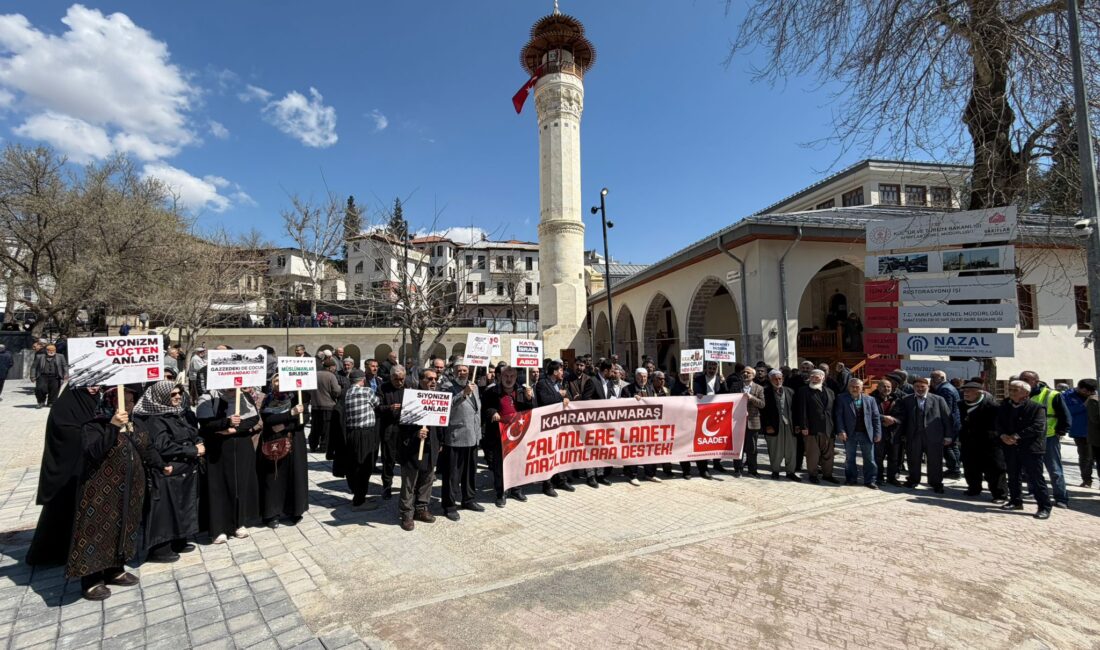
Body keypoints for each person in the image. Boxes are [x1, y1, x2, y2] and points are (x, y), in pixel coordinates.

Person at [30, 385, 159, 600]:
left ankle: (115, 568)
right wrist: (112, 427)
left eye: (130, 401)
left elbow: (146, 447)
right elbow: (94, 450)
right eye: (122, 401)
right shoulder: (94, 424)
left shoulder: (135, 422)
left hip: (128, 488)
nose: (127, 405)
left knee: (124, 526)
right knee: (97, 529)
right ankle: (91, 579)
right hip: (100, 489)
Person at [133, 381, 203, 562]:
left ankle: (179, 539)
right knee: (165, 510)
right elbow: (163, 445)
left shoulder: (177, 413)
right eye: (173, 394)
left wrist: (198, 443)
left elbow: (191, 432)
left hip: (183, 469)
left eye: (179, 393)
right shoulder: (153, 417)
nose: (178, 397)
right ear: (160, 397)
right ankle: (160, 549)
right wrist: (192, 450)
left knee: (180, 505)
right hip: (166, 470)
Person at [197, 387, 263, 544]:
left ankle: (239, 522)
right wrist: (226, 423)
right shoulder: (207, 398)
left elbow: (253, 419)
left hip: (241, 446)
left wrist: (233, 429)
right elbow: (206, 424)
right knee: (219, 487)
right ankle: (218, 528)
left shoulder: (244, 396)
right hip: (218, 448)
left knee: (240, 484)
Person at [997, 380, 1052, 519]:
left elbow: (1038, 426)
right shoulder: (1005, 405)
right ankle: (1015, 501)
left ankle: (1044, 506)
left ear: (1026, 393)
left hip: (1030, 448)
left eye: (1016, 390)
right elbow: (998, 422)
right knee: (1013, 476)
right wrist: (1003, 435)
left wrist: (1017, 436)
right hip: (1010, 447)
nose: (1012, 392)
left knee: (1035, 478)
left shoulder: (1037, 407)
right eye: (1011, 389)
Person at [257, 376, 308, 525]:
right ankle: (272, 514)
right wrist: (290, 414)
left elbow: (304, 417)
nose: (279, 384)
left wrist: (285, 423)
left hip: (295, 440)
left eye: (282, 380)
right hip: (275, 441)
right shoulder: (269, 399)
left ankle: (295, 510)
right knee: (274, 477)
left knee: (295, 475)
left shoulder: (296, 396)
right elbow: (268, 420)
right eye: (276, 381)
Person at [483, 366, 536, 506]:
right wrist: (492, 411)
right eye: (506, 376)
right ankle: (501, 493)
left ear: (516, 377)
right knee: (500, 466)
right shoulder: (492, 391)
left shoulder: (522, 391)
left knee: (517, 463)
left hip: (518, 434)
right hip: (499, 435)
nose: (509, 379)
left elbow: (531, 410)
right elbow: (485, 408)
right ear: (500, 376)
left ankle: (517, 489)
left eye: (512, 376)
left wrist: (530, 398)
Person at [891, 376, 954, 494]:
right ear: (913, 387)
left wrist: (948, 436)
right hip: (913, 436)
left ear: (928, 387)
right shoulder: (907, 400)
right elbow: (902, 419)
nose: (920, 389)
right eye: (917, 387)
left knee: (935, 461)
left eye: (922, 387)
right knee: (913, 459)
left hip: (934, 436)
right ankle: (913, 480)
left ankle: (936, 483)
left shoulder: (938, 400)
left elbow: (947, 418)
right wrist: (902, 434)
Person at [398, 369, 444, 531]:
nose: (433, 381)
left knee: (427, 479)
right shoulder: (411, 397)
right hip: (412, 448)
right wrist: (416, 433)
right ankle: (407, 513)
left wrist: (440, 442)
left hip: (431, 446)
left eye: (435, 379)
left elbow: (440, 423)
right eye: (429, 378)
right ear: (421, 380)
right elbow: (402, 427)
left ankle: (421, 508)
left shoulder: (439, 397)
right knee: (410, 482)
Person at [1019, 370, 1071, 508]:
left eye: (1027, 379)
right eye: (1021, 379)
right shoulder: (1021, 394)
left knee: (1054, 470)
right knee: (1031, 468)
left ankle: (1061, 498)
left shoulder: (1052, 394)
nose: (1023, 381)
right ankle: (1032, 491)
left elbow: (1065, 416)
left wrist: (1061, 431)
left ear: (1036, 381)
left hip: (1049, 437)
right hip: (1028, 437)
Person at [441, 364, 484, 520]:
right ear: (453, 372)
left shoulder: (475, 386)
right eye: (459, 370)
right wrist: (463, 394)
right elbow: (446, 407)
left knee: (470, 473)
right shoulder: (447, 387)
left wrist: (478, 434)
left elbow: (476, 411)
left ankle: (469, 499)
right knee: (453, 475)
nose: (462, 373)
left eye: (465, 370)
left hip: (472, 436)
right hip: (456, 436)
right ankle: (449, 505)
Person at [338, 369, 380, 509]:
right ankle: (360, 500)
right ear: (362, 380)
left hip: (351, 433)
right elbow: (377, 403)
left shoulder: (347, 393)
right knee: (364, 466)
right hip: (365, 433)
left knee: (354, 464)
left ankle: (356, 493)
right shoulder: (367, 391)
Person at [958, 381, 1006, 502]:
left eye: (969, 391)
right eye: (964, 391)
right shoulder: (961, 405)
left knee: (994, 469)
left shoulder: (992, 406)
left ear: (979, 392)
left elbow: (999, 425)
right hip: (968, 441)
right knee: (970, 466)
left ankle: (999, 494)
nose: (965, 394)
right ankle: (974, 488)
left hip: (989, 443)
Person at [534, 360, 574, 495]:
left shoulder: (559, 384)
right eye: (561, 370)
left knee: (560, 453)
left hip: (560, 425)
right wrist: (560, 396)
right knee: (548, 455)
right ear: (555, 372)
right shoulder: (542, 384)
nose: (563, 373)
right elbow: (545, 400)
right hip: (547, 426)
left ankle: (561, 480)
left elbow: (566, 397)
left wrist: (566, 398)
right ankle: (547, 484)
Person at [835, 378, 881, 489]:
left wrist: (877, 433)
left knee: (869, 459)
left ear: (862, 388)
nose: (855, 388)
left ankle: (870, 481)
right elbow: (838, 416)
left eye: (857, 387)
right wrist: (841, 431)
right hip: (850, 434)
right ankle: (851, 479)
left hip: (866, 433)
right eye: (852, 386)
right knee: (850, 458)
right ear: (848, 387)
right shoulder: (841, 398)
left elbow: (876, 417)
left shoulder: (870, 400)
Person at [794, 369, 837, 484]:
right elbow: (801, 410)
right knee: (812, 454)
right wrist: (803, 426)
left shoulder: (830, 392)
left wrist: (836, 428)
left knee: (828, 454)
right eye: (812, 376)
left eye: (817, 377)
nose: (814, 379)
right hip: (811, 428)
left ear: (823, 378)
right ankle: (813, 475)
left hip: (828, 428)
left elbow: (833, 411)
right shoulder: (803, 391)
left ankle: (827, 475)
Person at [622, 368, 659, 485]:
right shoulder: (627, 389)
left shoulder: (650, 388)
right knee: (633, 451)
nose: (642, 379)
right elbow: (621, 405)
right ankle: (632, 475)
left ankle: (650, 474)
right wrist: (632, 400)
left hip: (648, 426)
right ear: (635, 377)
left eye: (645, 377)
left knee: (650, 449)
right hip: (633, 426)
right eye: (640, 376)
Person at [762, 369, 800, 481]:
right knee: (775, 449)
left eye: (779, 378)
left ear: (783, 378)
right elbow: (763, 412)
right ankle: (775, 471)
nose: (778, 381)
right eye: (775, 379)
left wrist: (797, 425)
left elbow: (796, 410)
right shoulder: (765, 392)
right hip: (774, 426)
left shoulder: (790, 392)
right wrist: (767, 425)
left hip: (789, 425)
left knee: (791, 450)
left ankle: (790, 472)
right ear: (770, 379)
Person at [378, 365, 408, 500]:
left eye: (402, 379)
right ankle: (387, 486)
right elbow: (376, 408)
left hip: (405, 429)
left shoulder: (409, 387)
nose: (399, 382)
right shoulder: (383, 388)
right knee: (388, 459)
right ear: (391, 378)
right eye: (396, 379)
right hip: (389, 429)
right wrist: (389, 408)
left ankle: (406, 487)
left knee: (406, 460)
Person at [1062, 379, 1097, 488]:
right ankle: (1087, 480)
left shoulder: (1095, 393)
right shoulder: (1067, 396)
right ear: (1081, 388)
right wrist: (1086, 403)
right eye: (1087, 392)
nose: (1090, 394)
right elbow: (1068, 411)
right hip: (1080, 431)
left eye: (1092, 392)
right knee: (1086, 457)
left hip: (1096, 430)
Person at [733, 367, 765, 478]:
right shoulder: (735, 386)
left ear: (753, 375)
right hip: (737, 422)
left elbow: (762, 404)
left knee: (752, 448)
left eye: (748, 372)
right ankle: (738, 469)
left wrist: (751, 398)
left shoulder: (759, 388)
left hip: (753, 421)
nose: (745, 374)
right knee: (738, 447)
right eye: (743, 372)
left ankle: (752, 470)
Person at [930, 370, 963, 479]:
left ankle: (954, 469)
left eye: (933, 377)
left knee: (947, 446)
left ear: (941, 378)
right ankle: (955, 468)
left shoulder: (945, 389)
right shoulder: (949, 387)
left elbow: (946, 408)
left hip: (949, 422)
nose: (931, 380)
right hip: (954, 421)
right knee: (953, 445)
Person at [870, 378, 902, 486]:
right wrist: (883, 418)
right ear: (878, 387)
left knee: (894, 458)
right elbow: (868, 414)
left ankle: (891, 478)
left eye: (888, 387)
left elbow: (903, 415)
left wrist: (893, 420)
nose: (886, 388)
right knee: (878, 457)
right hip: (879, 433)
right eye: (883, 386)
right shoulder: (871, 399)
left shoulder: (897, 399)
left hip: (894, 433)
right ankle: (879, 477)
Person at [310, 358, 343, 454]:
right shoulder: (331, 376)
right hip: (328, 406)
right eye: (334, 367)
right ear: (330, 367)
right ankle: (323, 447)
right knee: (326, 428)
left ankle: (313, 445)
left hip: (315, 405)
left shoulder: (314, 374)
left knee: (315, 427)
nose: (335, 369)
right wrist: (340, 388)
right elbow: (336, 391)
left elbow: (308, 390)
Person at [33, 343, 68, 408]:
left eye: (53, 350)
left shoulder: (60, 356)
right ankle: (41, 402)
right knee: (40, 389)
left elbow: (65, 366)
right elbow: (34, 367)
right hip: (42, 376)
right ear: (46, 350)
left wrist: (66, 374)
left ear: (55, 350)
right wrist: (32, 376)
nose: (51, 351)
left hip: (55, 376)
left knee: (54, 390)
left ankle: (51, 403)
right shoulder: (39, 356)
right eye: (49, 350)